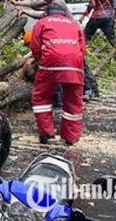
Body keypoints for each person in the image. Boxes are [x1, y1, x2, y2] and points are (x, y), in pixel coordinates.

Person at [29, 8, 86, 145]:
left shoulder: (42, 23)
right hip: (74, 65)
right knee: (74, 100)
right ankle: (71, 137)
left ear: (48, 12)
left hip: (50, 63)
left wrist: (40, 61)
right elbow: (82, 48)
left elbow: (35, 46)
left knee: (41, 97)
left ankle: (46, 133)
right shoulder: (74, 24)